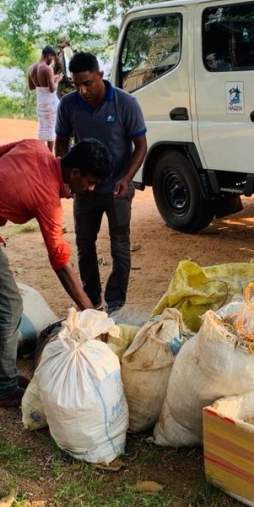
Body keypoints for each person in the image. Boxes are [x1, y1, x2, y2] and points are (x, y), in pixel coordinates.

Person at [0, 139, 114, 407]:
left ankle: (1, 371)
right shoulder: (47, 197)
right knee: (10, 305)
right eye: (90, 182)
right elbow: (59, 260)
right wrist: (88, 308)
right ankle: (5, 387)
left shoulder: (34, 147)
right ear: (75, 173)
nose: (89, 189)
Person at [55, 52, 148, 314]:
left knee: (119, 245)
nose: (82, 90)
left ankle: (116, 304)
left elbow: (140, 145)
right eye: (76, 85)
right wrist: (67, 178)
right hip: (84, 189)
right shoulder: (68, 105)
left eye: (87, 83)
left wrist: (126, 179)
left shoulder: (126, 103)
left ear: (100, 76)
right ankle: (92, 302)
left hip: (117, 188)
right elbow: (61, 141)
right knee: (85, 245)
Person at [27, 46, 62, 151]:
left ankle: (41, 152)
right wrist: (58, 80)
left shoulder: (31, 68)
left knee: (42, 127)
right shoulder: (47, 68)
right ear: (49, 56)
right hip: (50, 102)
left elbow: (31, 87)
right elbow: (52, 89)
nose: (52, 61)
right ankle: (49, 153)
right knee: (51, 127)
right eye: (53, 58)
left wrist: (51, 78)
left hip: (40, 101)